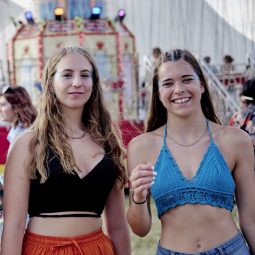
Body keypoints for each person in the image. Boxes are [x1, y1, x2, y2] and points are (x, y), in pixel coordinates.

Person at [1, 47, 131, 255]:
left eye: (85, 75)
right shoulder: (28, 144)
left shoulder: (107, 143)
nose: (77, 82)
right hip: (43, 250)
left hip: (98, 249)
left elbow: (117, 227)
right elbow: (13, 226)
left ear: (94, 83)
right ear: (51, 82)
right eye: (67, 75)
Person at [127, 49, 255, 254]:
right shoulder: (141, 147)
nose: (179, 89)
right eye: (168, 83)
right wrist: (138, 197)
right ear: (158, 93)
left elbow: (251, 221)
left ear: (201, 85)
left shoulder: (235, 140)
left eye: (187, 79)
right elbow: (140, 230)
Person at [0, 85, 37, 151]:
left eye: (3, 105)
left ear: (16, 107)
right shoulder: (18, 129)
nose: (0, 110)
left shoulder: (21, 134)